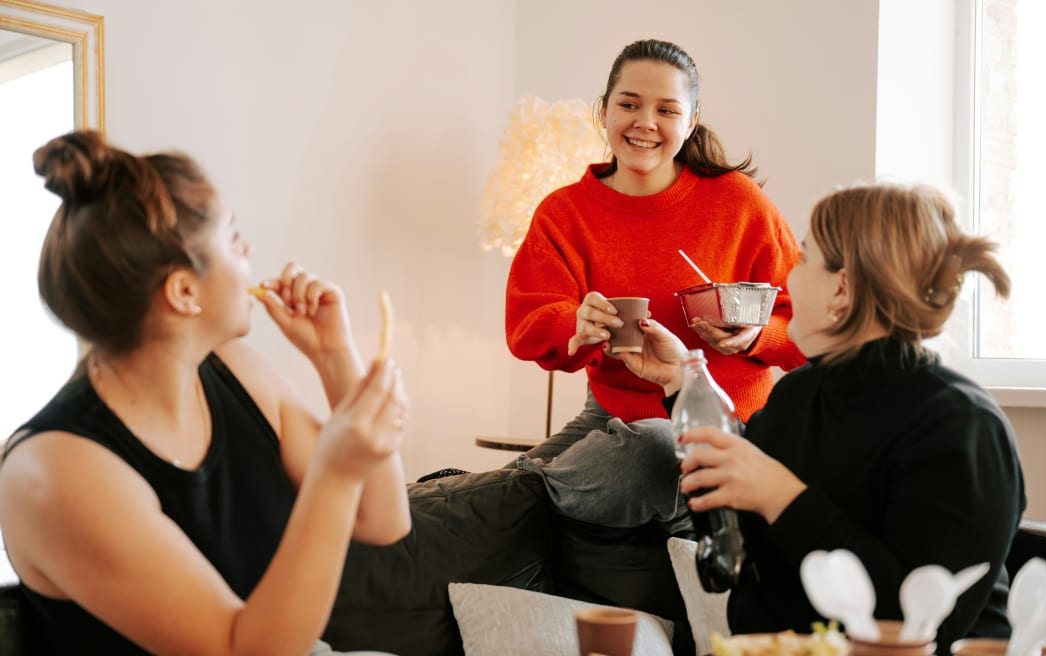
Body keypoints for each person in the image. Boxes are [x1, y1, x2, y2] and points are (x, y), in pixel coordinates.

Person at [0, 130, 412, 656]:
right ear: (184, 291)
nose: (250, 252)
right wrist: (333, 472)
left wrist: (334, 355)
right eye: (233, 237)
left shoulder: (236, 372)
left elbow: (382, 521)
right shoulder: (54, 472)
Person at [617, 181, 1025, 653]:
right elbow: (743, 497)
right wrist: (680, 381)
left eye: (804, 257)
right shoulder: (799, 393)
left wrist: (782, 498)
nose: (787, 278)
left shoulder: (964, 428)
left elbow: (915, 624)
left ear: (842, 288)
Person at [505, 38, 805, 483]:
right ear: (604, 111)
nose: (645, 123)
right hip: (611, 423)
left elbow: (809, 328)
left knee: (652, 449)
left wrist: (757, 336)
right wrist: (576, 325)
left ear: (691, 122)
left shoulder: (740, 203)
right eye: (629, 104)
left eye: (667, 110)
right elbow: (528, 327)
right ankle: (491, 494)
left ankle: (534, 488)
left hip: (726, 425)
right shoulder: (563, 214)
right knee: (495, 502)